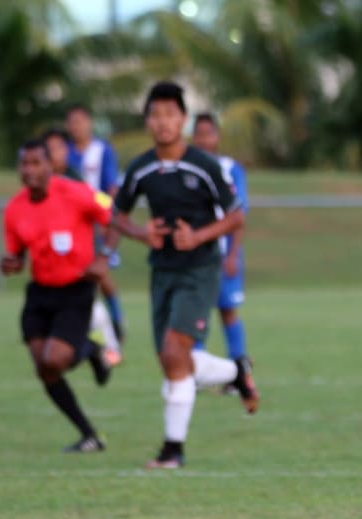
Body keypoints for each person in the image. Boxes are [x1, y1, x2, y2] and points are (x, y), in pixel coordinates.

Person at [108, 81, 260, 469]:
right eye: (155, 115)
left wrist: (198, 237)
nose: (163, 122)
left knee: (176, 352)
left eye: (170, 114)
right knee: (171, 359)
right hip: (162, 271)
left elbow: (236, 216)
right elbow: (116, 215)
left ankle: (172, 450)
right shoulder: (141, 168)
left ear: (183, 120)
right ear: (147, 121)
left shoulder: (204, 166)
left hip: (201, 269)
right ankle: (235, 371)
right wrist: (141, 233)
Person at [0, 138, 114, 453]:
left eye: (36, 163)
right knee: (44, 368)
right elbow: (16, 254)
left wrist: (104, 257)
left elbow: (113, 215)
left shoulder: (76, 192)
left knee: (54, 359)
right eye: (24, 163)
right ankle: (89, 435)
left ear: (51, 165)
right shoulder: (14, 208)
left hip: (75, 289)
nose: (29, 170)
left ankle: (91, 349)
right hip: (40, 292)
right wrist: (11, 263)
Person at [44, 127, 122, 366]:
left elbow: (104, 203)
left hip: (79, 249)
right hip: (50, 255)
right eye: (48, 149)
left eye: (58, 148)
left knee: (88, 293)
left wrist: (102, 223)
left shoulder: (76, 181)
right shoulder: (38, 184)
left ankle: (112, 342)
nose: (53, 154)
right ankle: (91, 348)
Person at [191, 112, 253, 368]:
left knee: (227, 310)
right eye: (199, 134)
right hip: (195, 254)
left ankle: (239, 368)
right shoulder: (187, 167)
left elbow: (239, 214)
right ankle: (196, 370)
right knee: (196, 314)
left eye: (209, 134)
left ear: (217, 137)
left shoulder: (231, 168)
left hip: (223, 252)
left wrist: (233, 254)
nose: (204, 139)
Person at [65, 104, 127, 348]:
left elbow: (111, 188)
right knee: (77, 280)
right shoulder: (64, 152)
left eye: (80, 121)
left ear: (89, 123)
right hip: (70, 225)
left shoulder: (102, 150)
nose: (76, 126)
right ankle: (90, 332)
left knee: (101, 275)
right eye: (72, 122)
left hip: (95, 222)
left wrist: (105, 217)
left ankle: (116, 322)